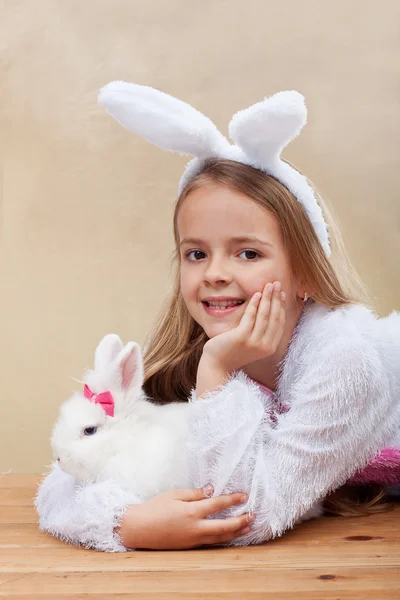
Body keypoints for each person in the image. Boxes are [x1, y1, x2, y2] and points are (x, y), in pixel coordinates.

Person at [35, 84, 400, 552]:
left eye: (248, 252)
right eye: (196, 253)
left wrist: (218, 374)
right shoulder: (196, 352)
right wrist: (123, 523)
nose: (215, 274)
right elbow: (68, 476)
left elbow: (245, 513)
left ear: (306, 272)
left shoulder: (343, 364)